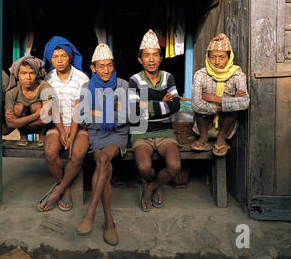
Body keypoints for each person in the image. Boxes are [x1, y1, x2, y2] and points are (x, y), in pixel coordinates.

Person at [76, 43, 128, 246]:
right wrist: (111, 111)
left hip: (118, 134)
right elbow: (83, 119)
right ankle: (108, 221)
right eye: (101, 66)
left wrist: (97, 112)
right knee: (103, 164)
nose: (106, 70)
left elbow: (126, 117)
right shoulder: (86, 87)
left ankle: (90, 212)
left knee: (104, 159)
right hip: (96, 134)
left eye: (110, 65)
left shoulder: (122, 85)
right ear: (93, 68)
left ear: (114, 66)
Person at [129, 29, 181, 212]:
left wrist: (148, 104)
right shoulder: (134, 80)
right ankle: (151, 182)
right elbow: (134, 110)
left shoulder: (168, 77)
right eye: (146, 56)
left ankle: (151, 188)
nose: (151, 59)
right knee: (144, 168)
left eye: (155, 55)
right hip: (141, 131)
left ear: (160, 58)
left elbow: (175, 106)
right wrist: (161, 102)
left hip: (165, 131)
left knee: (175, 166)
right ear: (140, 59)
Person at [37, 36, 89, 212]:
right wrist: (61, 132)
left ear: (70, 57)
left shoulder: (82, 78)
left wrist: (72, 134)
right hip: (56, 125)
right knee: (50, 153)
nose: (59, 60)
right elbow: (53, 107)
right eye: (55, 56)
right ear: (51, 59)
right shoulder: (48, 79)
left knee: (79, 153)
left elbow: (78, 109)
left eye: (63, 55)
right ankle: (65, 190)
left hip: (79, 126)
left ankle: (58, 190)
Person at [191, 33, 250, 156]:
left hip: (227, 125)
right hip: (204, 124)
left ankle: (221, 137)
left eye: (222, 57)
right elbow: (196, 104)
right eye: (213, 57)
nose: (217, 62)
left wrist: (212, 98)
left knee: (232, 111)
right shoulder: (200, 75)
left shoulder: (238, 75)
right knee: (204, 110)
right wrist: (230, 101)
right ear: (207, 58)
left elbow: (245, 102)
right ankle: (203, 136)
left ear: (229, 57)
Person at [4, 56, 54, 146]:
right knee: (18, 107)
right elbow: (9, 123)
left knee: (36, 105)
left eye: (32, 73)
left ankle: (42, 135)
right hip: (32, 121)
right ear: (17, 75)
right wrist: (36, 115)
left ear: (37, 74)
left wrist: (19, 122)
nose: (28, 77)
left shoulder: (45, 87)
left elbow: (47, 118)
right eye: (23, 73)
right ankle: (23, 136)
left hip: (41, 125)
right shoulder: (11, 93)